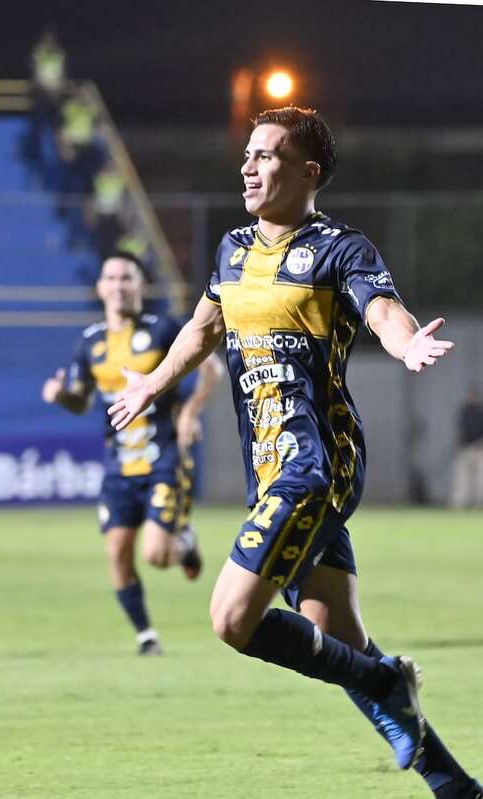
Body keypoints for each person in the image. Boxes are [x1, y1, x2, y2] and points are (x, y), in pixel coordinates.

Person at [108, 108, 481, 797]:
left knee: (232, 619)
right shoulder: (232, 249)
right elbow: (204, 327)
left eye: (266, 155)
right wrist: (153, 382)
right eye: (247, 154)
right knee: (335, 636)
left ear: (308, 173)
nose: (248, 167)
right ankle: (454, 783)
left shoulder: (341, 248)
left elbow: (382, 310)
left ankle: (384, 681)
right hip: (271, 470)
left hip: (314, 466)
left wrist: (406, 344)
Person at [42, 251, 223, 655]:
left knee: (156, 555)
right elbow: (80, 400)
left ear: (141, 285)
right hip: (119, 465)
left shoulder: (164, 328)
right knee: (117, 552)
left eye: (127, 277)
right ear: (100, 287)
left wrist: (189, 412)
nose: (119, 285)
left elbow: (212, 368)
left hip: (163, 458)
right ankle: (146, 637)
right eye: (111, 278)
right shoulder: (90, 342)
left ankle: (184, 543)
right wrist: (60, 396)